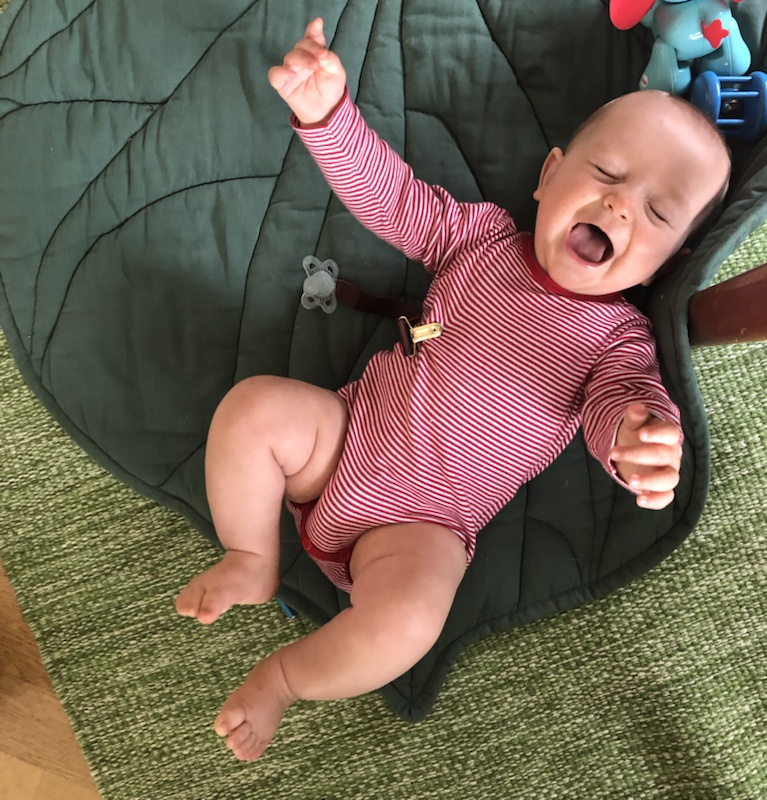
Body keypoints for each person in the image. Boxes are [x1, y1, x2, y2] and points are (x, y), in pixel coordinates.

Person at [175, 18, 731, 761]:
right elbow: (394, 199)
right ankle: (251, 557)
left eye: (657, 213)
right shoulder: (482, 240)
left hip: (425, 527)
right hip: (341, 436)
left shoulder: (617, 340)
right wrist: (328, 117)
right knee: (252, 409)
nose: (621, 205)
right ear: (549, 175)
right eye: (606, 173)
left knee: (409, 620)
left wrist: (641, 438)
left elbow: (620, 403)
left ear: (666, 261)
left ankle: (284, 679)